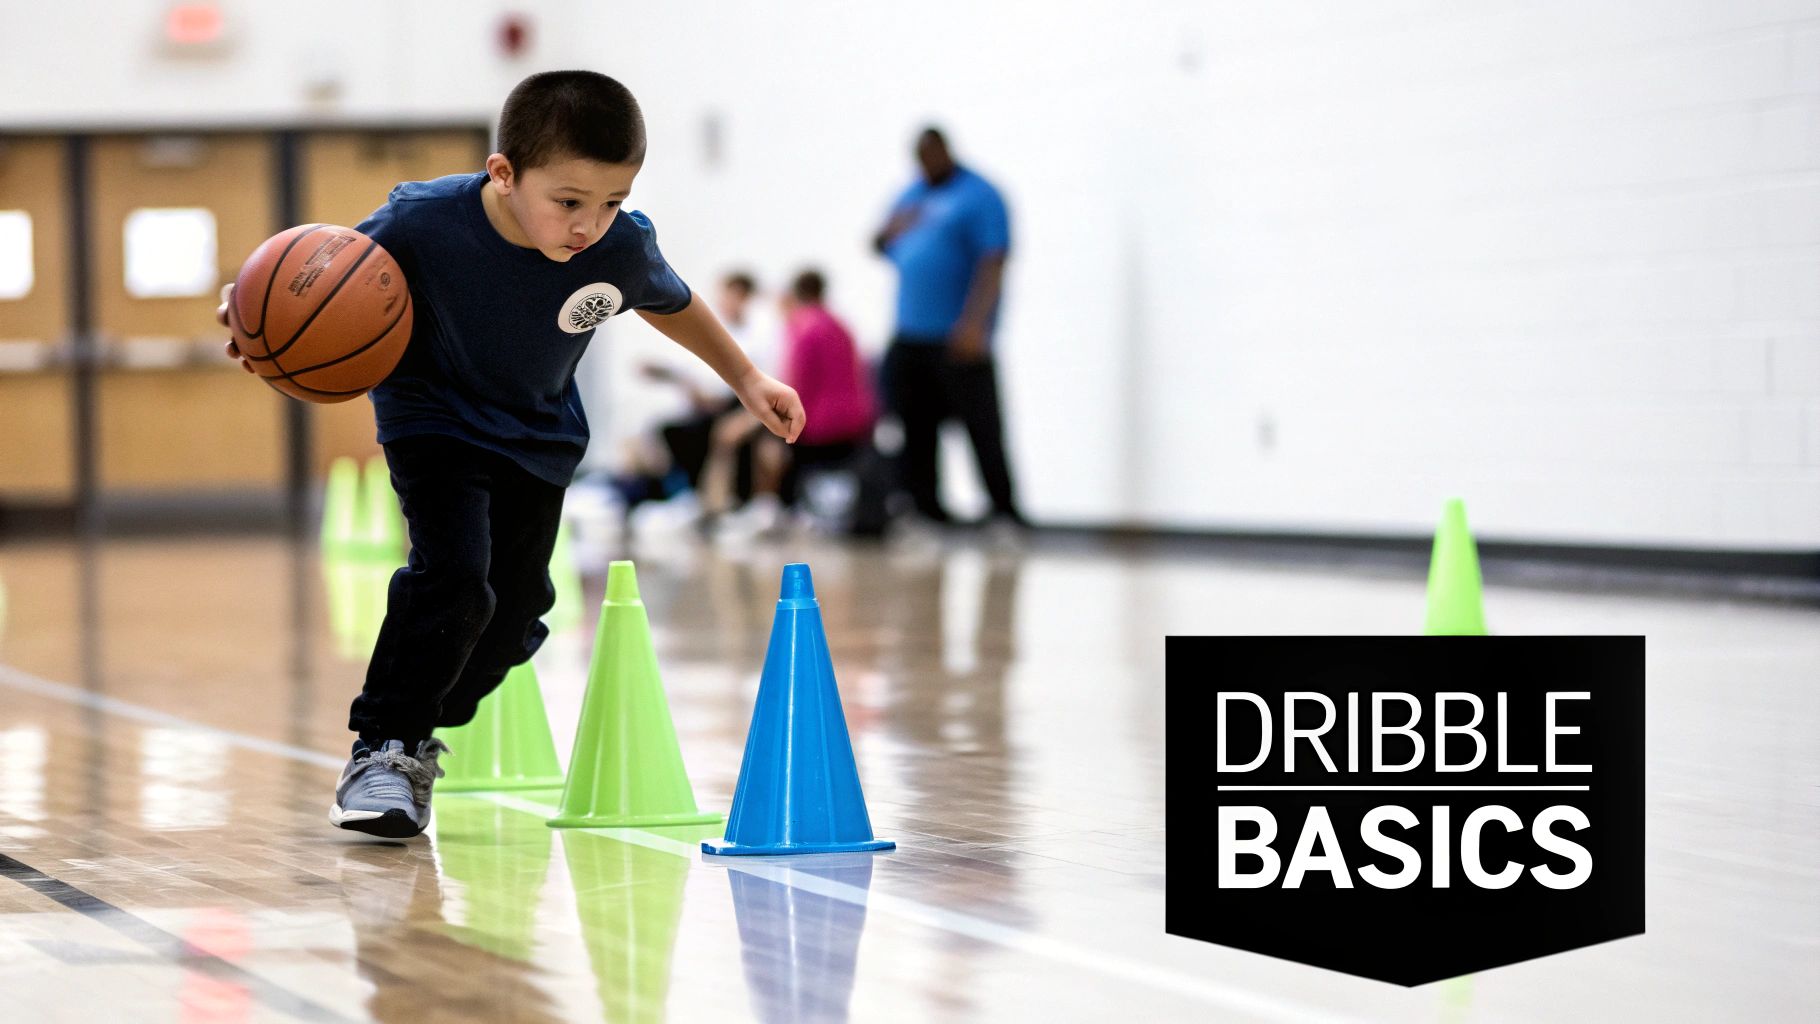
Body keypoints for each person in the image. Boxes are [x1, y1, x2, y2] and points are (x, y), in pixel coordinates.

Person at [218, 71, 804, 838]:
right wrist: (250, 307)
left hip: (536, 434)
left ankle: (422, 721)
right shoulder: (424, 221)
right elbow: (322, 270)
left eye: (612, 203)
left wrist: (748, 377)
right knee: (456, 577)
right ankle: (384, 750)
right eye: (568, 202)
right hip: (433, 420)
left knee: (516, 612)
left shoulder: (617, 248)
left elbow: (675, 302)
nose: (589, 224)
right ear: (504, 173)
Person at [873, 126, 1025, 528]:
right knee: (915, 427)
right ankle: (925, 510)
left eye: (932, 157)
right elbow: (878, 243)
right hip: (910, 335)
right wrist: (890, 229)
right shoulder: (911, 195)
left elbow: (993, 262)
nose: (926, 166)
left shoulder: (979, 195)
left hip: (959, 337)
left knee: (982, 429)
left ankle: (1003, 513)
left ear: (946, 152)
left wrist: (975, 325)